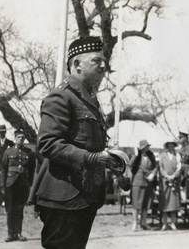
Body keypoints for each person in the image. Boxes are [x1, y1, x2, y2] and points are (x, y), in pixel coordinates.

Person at [28, 37, 122, 249]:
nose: (104, 65)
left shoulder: (88, 100)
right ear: (77, 64)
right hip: (63, 197)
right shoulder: (61, 96)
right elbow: (48, 143)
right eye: (96, 60)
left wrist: (112, 161)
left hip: (82, 197)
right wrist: (93, 158)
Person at [1, 128, 36, 242]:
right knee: (10, 209)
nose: (20, 139)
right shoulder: (8, 152)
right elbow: (4, 169)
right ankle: (11, 234)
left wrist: (29, 184)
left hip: (22, 185)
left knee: (20, 209)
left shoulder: (29, 152)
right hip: (10, 184)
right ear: (15, 138)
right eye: (18, 137)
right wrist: (2, 185)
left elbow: (31, 170)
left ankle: (19, 233)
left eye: (22, 137)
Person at [130, 139, 157, 231]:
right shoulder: (137, 155)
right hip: (137, 182)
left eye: (147, 146)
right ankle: (135, 223)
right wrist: (135, 155)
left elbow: (155, 166)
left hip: (148, 182)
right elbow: (130, 164)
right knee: (136, 204)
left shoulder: (151, 155)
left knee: (146, 204)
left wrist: (153, 174)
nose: (147, 148)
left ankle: (144, 223)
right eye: (145, 147)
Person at [158, 140, 182, 230]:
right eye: (169, 145)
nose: (171, 147)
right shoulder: (162, 156)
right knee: (165, 203)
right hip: (165, 182)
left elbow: (179, 168)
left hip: (174, 182)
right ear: (167, 146)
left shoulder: (178, 156)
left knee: (173, 204)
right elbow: (160, 167)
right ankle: (164, 223)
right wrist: (166, 176)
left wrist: (174, 176)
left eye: (172, 145)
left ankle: (173, 223)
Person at [0, 124, 14, 215]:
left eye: (3, 132)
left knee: (6, 187)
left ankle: (6, 205)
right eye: (0, 132)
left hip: (7, 169)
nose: (1, 134)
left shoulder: (10, 143)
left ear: (5, 132)